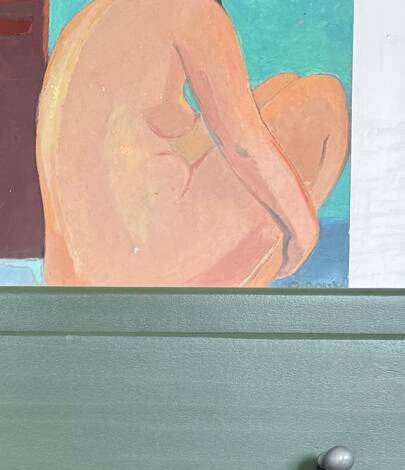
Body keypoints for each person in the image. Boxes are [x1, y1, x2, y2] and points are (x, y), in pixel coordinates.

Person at [36, 0, 350, 285]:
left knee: (283, 89)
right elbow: (243, 147)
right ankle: (249, 280)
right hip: (142, 268)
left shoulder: (90, 18)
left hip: (72, 275)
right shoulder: (192, 9)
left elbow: (170, 129)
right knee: (323, 100)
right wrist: (304, 227)